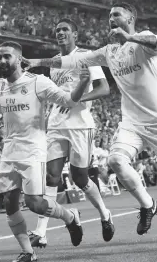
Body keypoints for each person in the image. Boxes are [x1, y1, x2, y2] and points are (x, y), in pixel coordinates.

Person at [23, 2, 157, 249]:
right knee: (115, 161)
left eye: (116, 14)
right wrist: (36, 61)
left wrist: (132, 37)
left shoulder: (142, 42)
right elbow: (71, 61)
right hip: (131, 123)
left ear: (131, 17)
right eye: (109, 15)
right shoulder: (108, 51)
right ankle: (147, 205)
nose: (111, 18)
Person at [0, 41, 89, 262]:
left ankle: (70, 217)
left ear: (19, 59)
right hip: (9, 151)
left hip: (33, 150)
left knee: (35, 203)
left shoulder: (37, 82)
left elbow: (68, 100)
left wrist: (84, 82)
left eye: (7, 57)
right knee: (10, 204)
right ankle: (28, 252)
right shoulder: (0, 85)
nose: (2, 61)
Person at [27, 19, 114, 250]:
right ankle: (41, 232)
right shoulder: (55, 63)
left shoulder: (87, 56)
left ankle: (105, 214)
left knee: (80, 178)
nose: (60, 33)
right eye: (57, 30)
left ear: (75, 33)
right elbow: (52, 95)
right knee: (51, 177)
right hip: (56, 125)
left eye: (65, 29)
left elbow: (104, 88)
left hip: (80, 125)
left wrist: (76, 99)